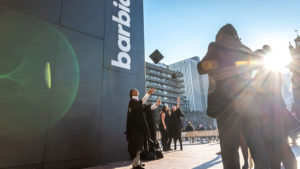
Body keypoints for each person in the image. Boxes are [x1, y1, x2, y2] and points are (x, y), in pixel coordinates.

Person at [197, 24, 270, 169]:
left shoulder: (216, 46)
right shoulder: (245, 48)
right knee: (256, 143)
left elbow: (200, 68)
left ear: (220, 34)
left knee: (229, 148)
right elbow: (260, 63)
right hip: (248, 103)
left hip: (226, 105)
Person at [253, 47, 299, 169]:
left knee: (279, 149)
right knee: (279, 149)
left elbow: (263, 94)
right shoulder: (271, 72)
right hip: (274, 115)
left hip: (271, 117)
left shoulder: (266, 73)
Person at [125, 88, 160, 169]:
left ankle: (138, 162)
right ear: (132, 93)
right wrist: (148, 93)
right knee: (136, 146)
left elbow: (148, 108)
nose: (137, 90)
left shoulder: (137, 102)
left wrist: (156, 105)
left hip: (139, 128)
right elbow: (141, 102)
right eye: (135, 90)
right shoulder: (132, 102)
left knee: (140, 146)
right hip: (135, 129)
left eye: (137, 90)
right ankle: (135, 164)